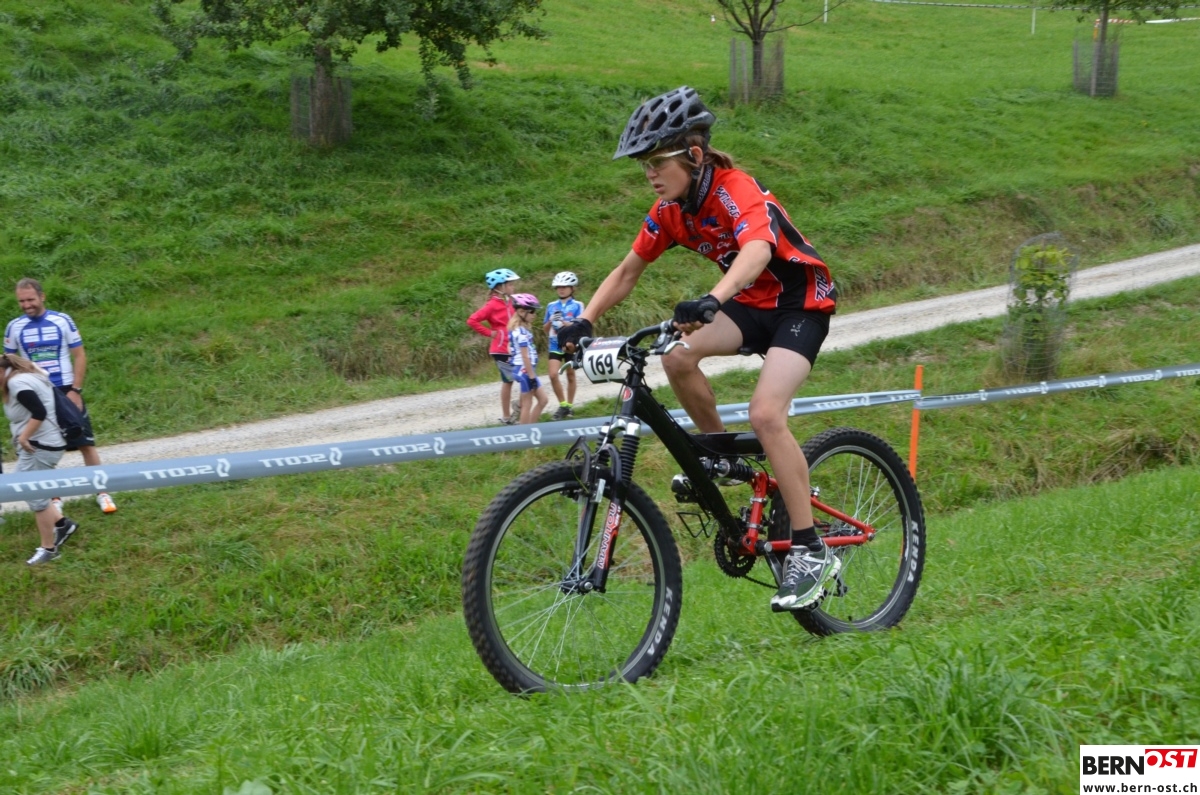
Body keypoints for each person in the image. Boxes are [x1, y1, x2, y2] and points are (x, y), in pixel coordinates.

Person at [557, 86, 839, 612]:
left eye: (657, 162)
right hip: (749, 303)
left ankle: (810, 550)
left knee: (765, 414)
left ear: (692, 154)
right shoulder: (669, 211)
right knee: (677, 355)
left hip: (800, 304)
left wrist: (712, 299)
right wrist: (584, 319)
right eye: (643, 165)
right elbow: (628, 270)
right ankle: (719, 458)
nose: (649, 174)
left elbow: (758, 250)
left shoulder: (734, 188)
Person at [4, 278, 117, 514]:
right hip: (36, 392)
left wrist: (76, 390)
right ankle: (54, 497)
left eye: (30, 299)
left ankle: (102, 491)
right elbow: (6, 364)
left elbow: (80, 355)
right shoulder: (14, 327)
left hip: (65, 390)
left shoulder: (62, 320)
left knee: (85, 442)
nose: (26, 305)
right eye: (21, 301)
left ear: (42, 296)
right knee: (42, 445)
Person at [2, 354, 80, 565]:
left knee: (34, 495)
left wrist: (24, 437)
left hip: (40, 446)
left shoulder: (17, 383)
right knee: (26, 488)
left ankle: (49, 549)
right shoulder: (28, 376)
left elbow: (39, 412)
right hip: (46, 444)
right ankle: (63, 524)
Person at [467, 269, 520, 425]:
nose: (513, 287)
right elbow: (472, 320)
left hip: (515, 346)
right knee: (509, 380)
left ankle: (519, 407)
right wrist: (490, 333)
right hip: (501, 349)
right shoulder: (492, 305)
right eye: (510, 285)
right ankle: (507, 416)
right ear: (500, 287)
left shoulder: (512, 301)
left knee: (525, 377)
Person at [542, 271, 586, 420]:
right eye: (558, 287)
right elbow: (545, 329)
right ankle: (563, 405)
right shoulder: (551, 306)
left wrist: (565, 323)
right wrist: (551, 320)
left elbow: (580, 326)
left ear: (572, 288)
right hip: (555, 343)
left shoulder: (578, 305)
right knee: (553, 375)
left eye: (565, 287)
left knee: (570, 374)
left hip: (570, 343)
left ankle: (570, 406)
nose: (561, 289)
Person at [508, 293, 550, 424]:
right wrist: (532, 377)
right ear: (521, 312)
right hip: (525, 371)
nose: (534, 315)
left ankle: (531, 428)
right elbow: (525, 356)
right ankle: (525, 433)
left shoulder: (519, 329)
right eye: (531, 311)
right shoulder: (521, 332)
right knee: (527, 404)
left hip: (524, 369)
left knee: (543, 400)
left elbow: (510, 347)